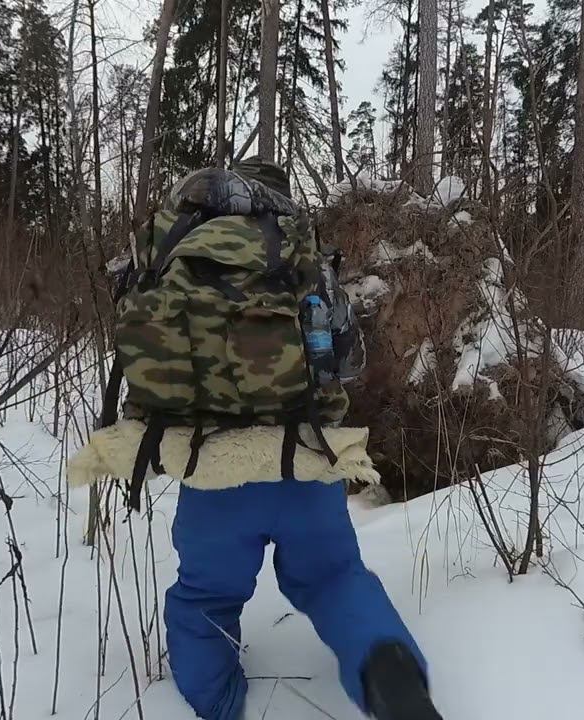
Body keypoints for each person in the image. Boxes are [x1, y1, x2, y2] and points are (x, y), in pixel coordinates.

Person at [119, 158, 442, 720]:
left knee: (206, 597)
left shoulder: (176, 254)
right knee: (335, 579)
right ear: (279, 200)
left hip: (212, 471)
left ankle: (219, 705)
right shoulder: (300, 257)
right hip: (305, 461)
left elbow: (144, 366)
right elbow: (347, 363)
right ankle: (391, 678)